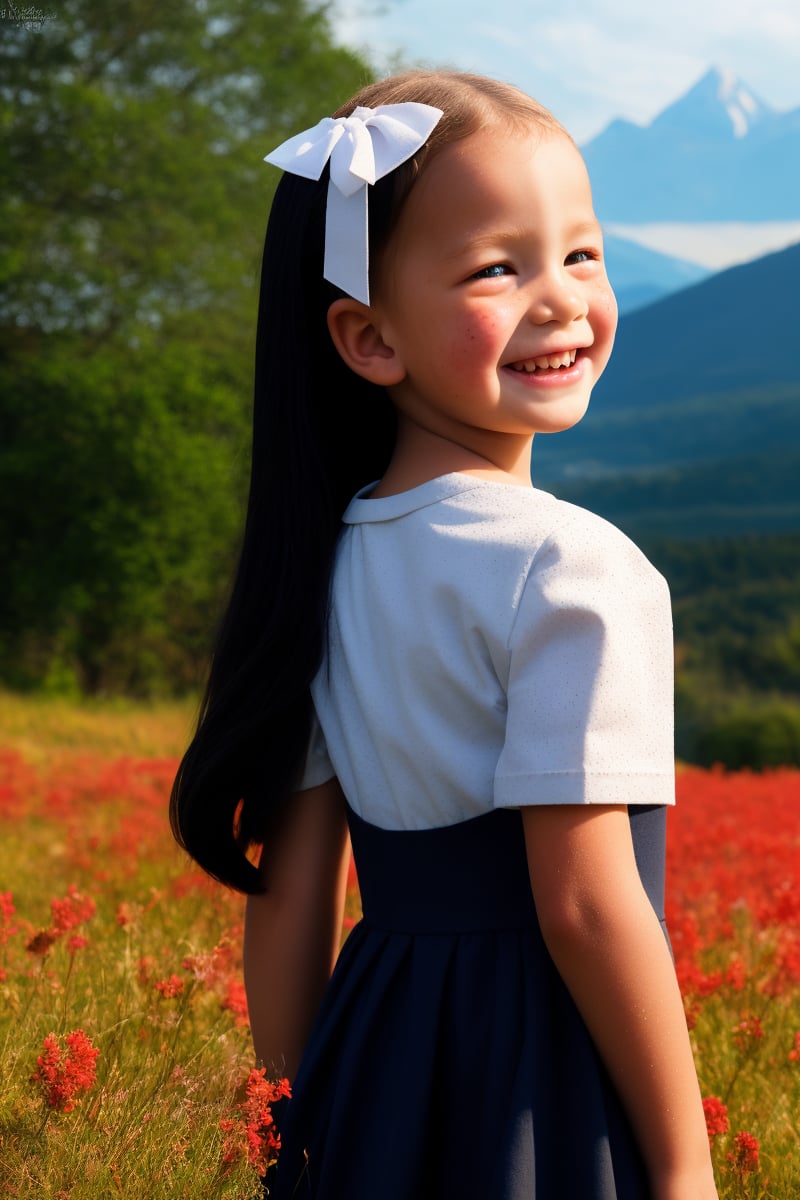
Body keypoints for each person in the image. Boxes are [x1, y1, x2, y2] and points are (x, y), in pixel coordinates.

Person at [170, 70, 719, 1200]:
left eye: (581, 252)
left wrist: (297, 1119)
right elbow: (581, 902)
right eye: (495, 268)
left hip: (376, 1064)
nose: (562, 299)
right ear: (368, 338)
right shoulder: (574, 567)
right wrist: (680, 1166)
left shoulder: (322, 563)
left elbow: (293, 891)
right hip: (542, 1078)